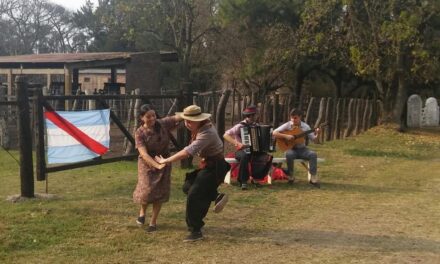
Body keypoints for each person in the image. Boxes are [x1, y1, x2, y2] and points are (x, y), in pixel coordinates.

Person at [155, 105, 230, 242]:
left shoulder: (207, 133)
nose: (187, 124)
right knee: (187, 186)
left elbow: (187, 151)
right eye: (186, 120)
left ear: (199, 120)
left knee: (194, 195)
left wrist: (166, 160)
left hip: (215, 167)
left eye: (190, 121)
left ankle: (195, 231)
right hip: (208, 165)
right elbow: (171, 122)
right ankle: (216, 195)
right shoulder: (199, 126)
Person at [132, 104, 182, 232]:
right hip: (147, 163)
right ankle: (142, 212)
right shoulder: (139, 133)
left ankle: (153, 222)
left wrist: (190, 114)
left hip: (164, 160)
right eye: (148, 116)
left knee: (159, 192)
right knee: (146, 191)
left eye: (154, 115)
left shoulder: (162, 124)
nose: (152, 119)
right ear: (142, 118)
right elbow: (143, 154)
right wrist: (157, 165)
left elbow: (177, 118)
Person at [272, 108, 321, 188]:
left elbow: (314, 140)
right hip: (291, 149)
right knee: (289, 154)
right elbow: (274, 132)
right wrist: (286, 136)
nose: (293, 120)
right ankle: (291, 176)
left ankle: (313, 178)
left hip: (302, 149)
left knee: (313, 154)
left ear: (300, 117)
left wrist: (318, 134)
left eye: (295, 118)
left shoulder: (305, 127)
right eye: (291, 117)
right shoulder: (288, 125)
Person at [223, 105, 259, 190]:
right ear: (251, 115)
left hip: (254, 150)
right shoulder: (240, 126)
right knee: (245, 155)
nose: (257, 116)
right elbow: (225, 135)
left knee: (264, 156)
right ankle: (243, 181)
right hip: (240, 151)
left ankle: (257, 178)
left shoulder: (256, 125)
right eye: (255, 114)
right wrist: (237, 143)